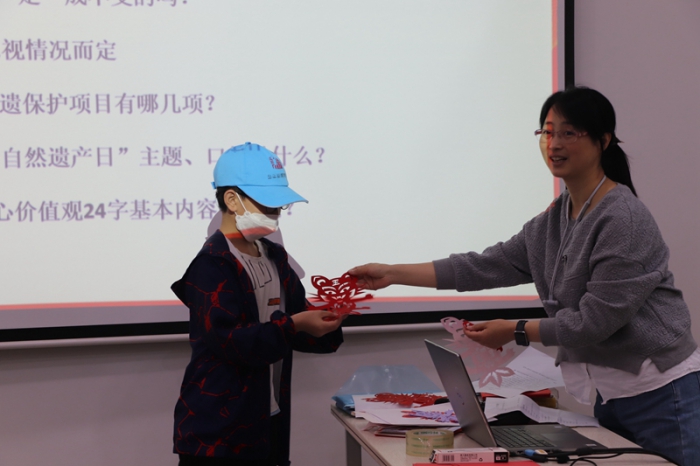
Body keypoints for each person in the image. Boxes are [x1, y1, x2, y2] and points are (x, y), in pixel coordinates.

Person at [348, 87, 700, 466]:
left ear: (603, 140)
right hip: (611, 391)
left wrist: (514, 330)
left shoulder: (622, 218)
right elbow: (485, 264)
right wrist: (392, 273)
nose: (554, 143)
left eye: (568, 132)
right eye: (547, 132)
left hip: (663, 389)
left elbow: (593, 323)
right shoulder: (558, 215)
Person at [172, 142, 344, 466]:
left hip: (268, 420)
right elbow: (231, 341)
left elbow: (298, 324)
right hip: (218, 433)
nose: (276, 213)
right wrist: (296, 324)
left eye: (280, 205)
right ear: (232, 200)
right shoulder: (212, 265)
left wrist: (330, 319)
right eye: (267, 203)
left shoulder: (275, 257)